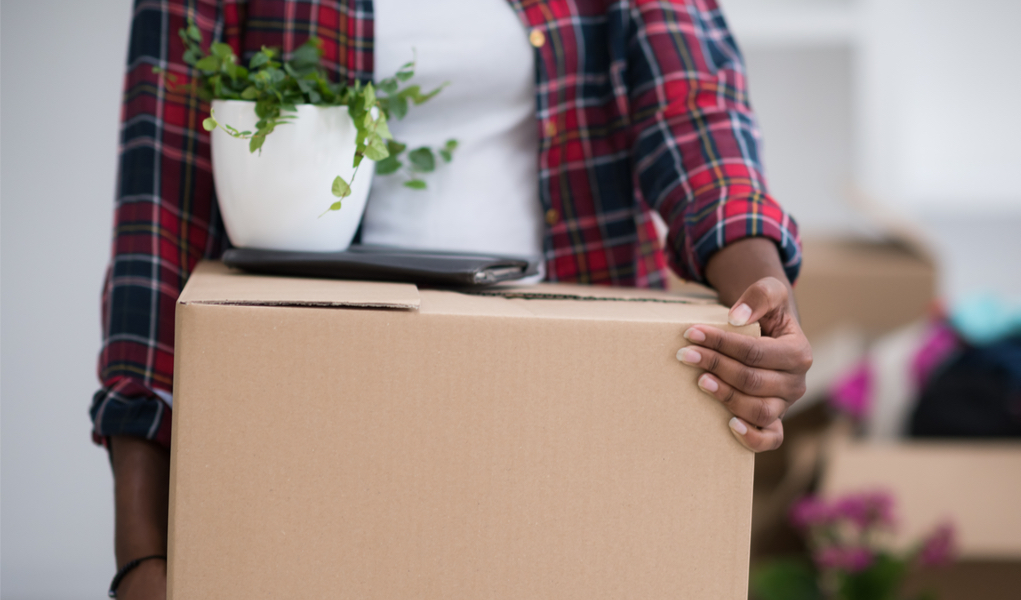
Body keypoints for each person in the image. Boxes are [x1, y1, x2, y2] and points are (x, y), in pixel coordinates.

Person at [94, 1, 811, 598]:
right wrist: (141, 554)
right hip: (319, 401)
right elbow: (160, 208)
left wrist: (757, 293)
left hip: (574, 399)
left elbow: (692, 104)